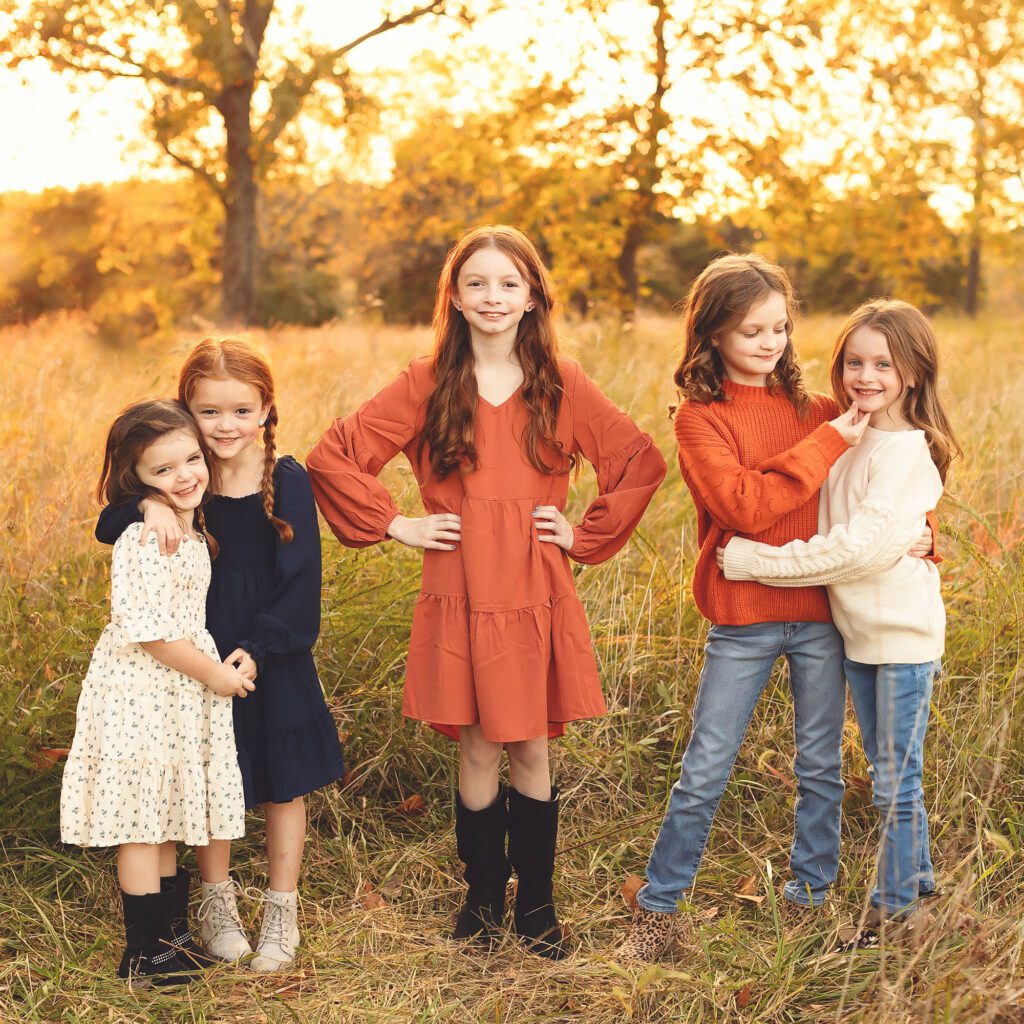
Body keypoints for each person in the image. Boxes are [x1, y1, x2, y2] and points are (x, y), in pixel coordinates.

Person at [306, 225, 666, 960]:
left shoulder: (561, 380)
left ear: (533, 295)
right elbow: (333, 456)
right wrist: (396, 524)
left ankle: (536, 904)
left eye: (508, 283)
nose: (493, 296)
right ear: (456, 298)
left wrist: (583, 533)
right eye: (477, 283)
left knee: (530, 746)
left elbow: (638, 460)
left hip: (533, 583)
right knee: (474, 747)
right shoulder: (427, 379)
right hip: (460, 582)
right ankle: (481, 901)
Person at [615, 254, 936, 963]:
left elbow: (880, 487)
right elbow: (742, 505)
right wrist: (824, 445)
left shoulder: (816, 411)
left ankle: (809, 899)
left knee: (820, 763)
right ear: (713, 335)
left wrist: (923, 533)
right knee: (707, 766)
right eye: (750, 330)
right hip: (744, 616)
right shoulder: (702, 419)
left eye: (780, 328)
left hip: (822, 614)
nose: (769, 343)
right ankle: (659, 911)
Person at [95, 339, 344, 972]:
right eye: (209, 412)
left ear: (266, 410)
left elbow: (301, 583)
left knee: (283, 785)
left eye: (240, 411)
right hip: (197, 660)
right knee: (210, 772)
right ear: (188, 412)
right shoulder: (182, 476)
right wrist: (147, 503)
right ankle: (215, 902)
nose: (225, 426)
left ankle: (281, 910)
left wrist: (259, 651)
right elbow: (109, 520)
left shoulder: (284, 478)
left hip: (271, 649)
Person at [719, 299, 959, 946]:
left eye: (884, 364)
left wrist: (753, 561)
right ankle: (920, 881)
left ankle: (895, 912)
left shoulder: (905, 450)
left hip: (900, 640)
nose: (866, 375)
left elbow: (855, 549)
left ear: (912, 372)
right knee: (892, 774)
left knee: (892, 781)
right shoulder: (854, 434)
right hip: (861, 634)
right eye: (855, 361)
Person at [61, 399, 250, 987]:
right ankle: (144, 953)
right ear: (135, 478)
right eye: (161, 472)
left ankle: (170, 938)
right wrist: (216, 674)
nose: (184, 475)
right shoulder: (147, 533)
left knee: (164, 811)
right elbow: (147, 630)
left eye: (191, 459)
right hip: (143, 691)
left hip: (175, 692)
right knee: (142, 821)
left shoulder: (187, 528)